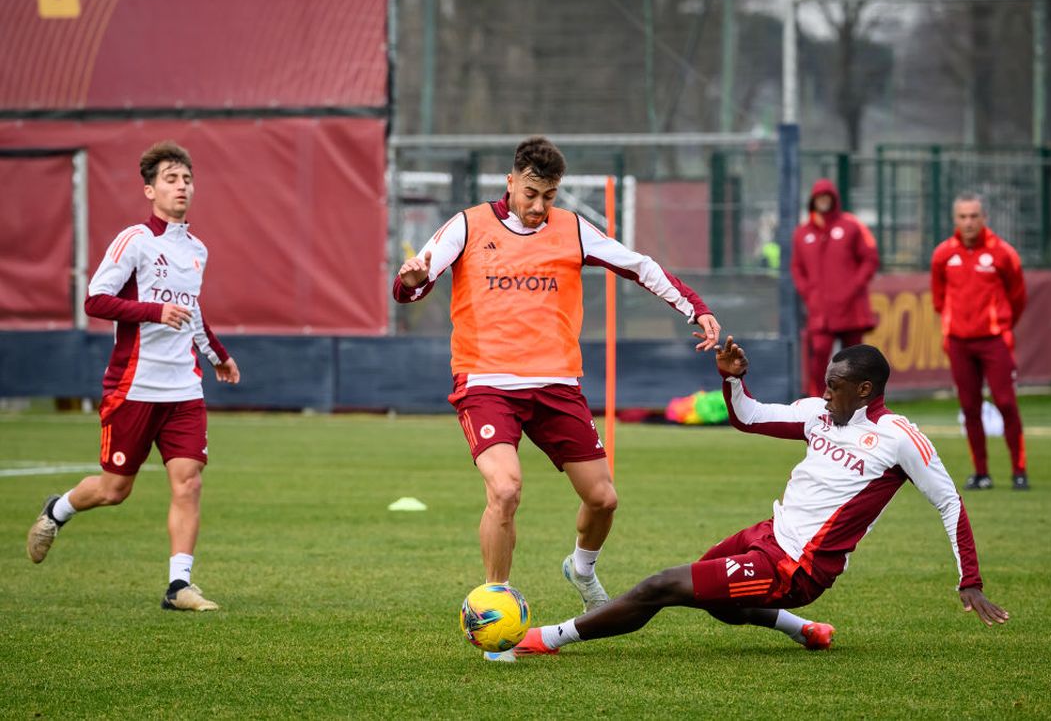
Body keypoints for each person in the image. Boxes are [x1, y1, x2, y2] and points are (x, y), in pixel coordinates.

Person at [394, 137, 721, 655]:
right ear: (510, 182)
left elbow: (639, 265)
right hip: (486, 384)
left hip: (556, 384)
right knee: (505, 489)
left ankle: (581, 569)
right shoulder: (468, 225)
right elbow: (415, 281)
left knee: (603, 499)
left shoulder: (572, 228)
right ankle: (496, 615)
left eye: (549, 196)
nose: (539, 206)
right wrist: (412, 281)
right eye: (531, 194)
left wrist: (695, 308)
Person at [510, 338, 1008, 657]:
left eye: (834, 386)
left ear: (864, 389)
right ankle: (802, 629)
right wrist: (732, 378)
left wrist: (970, 580)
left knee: (661, 586)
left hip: (797, 568)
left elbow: (949, 501)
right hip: (766, 536)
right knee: (716, 602)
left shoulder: (899, 438)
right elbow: (748, 416)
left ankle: (549, 638)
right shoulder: (818, 414)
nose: (825, 393)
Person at [26, 141, 240, 611]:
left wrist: (217, 355)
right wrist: (152, 310)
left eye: (187, 179)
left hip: (183, 388)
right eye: (171, 179)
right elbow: (95, 300)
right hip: (134, 386)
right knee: (114, 490)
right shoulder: (135, 240)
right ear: (149, 190)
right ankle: (57, 509)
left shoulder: (197, 250)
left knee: (189, 481)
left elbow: (192, 311)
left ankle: (179, 586)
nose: (181, 186)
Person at [931, 193, 1028, 491]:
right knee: (969, 407)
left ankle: (1019, 470)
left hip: (994, 341)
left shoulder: (1003, 253)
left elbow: (1018, 296)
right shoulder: (943, 254)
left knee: (1006, 403)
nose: (969, 222)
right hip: (959, 343)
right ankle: (981, 473)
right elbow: (938, 298)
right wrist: (955, 324)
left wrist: (1000, 324)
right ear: (955, 219)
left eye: (974, 216)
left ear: (984, 218)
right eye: (963, 216)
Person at [791, 178, 879, 397]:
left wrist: (854, 287)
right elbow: (797, 268)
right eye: (819, 197)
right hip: (821, 311)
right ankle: (818, 402)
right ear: (813, 200)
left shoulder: (851, 225)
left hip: (850, 308)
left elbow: (870, 258)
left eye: (827, 196)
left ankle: (855, 401)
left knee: (855, 360)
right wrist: (808, 293)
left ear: (834, 199)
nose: (823, 201)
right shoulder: (802, 233)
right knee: (819, 353)